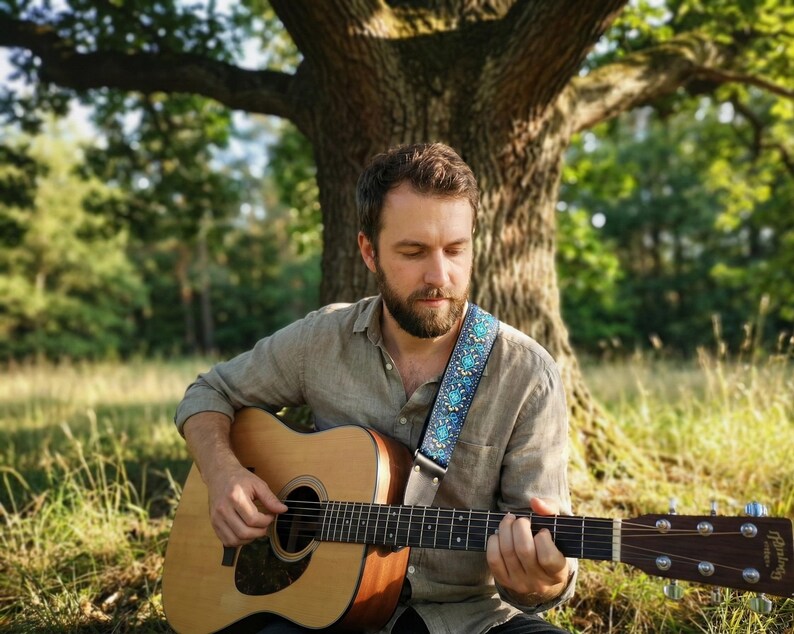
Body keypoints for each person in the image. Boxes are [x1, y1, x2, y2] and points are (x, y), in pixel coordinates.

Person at [174, 142, 577, 633]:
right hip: (319, 613)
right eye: (413, 252)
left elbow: (538, 577)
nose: (440, 276)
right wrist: (223, 475)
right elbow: (208, 393)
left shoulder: (526, 374)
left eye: (455, 250)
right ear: (369, 251)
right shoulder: (322, 339)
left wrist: (545, 580)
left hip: (468, 619)